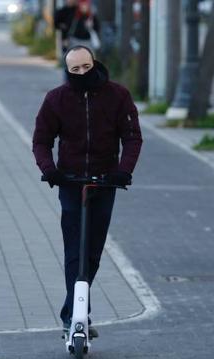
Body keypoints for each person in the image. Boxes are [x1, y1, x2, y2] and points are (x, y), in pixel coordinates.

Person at [32, 46, 142, 336]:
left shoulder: (117, 95)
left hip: (105, 182)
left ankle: (73, 310)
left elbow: (132, 137)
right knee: (74, 248)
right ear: (68, 71)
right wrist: (49, 169)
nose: (82, 73)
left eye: (86, 66)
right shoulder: (56, 99)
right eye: (75, 70)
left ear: (94, 63)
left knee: (92, 249)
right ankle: (76, 316)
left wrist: (123, 170)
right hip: (70, 182)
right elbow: (41, 140)